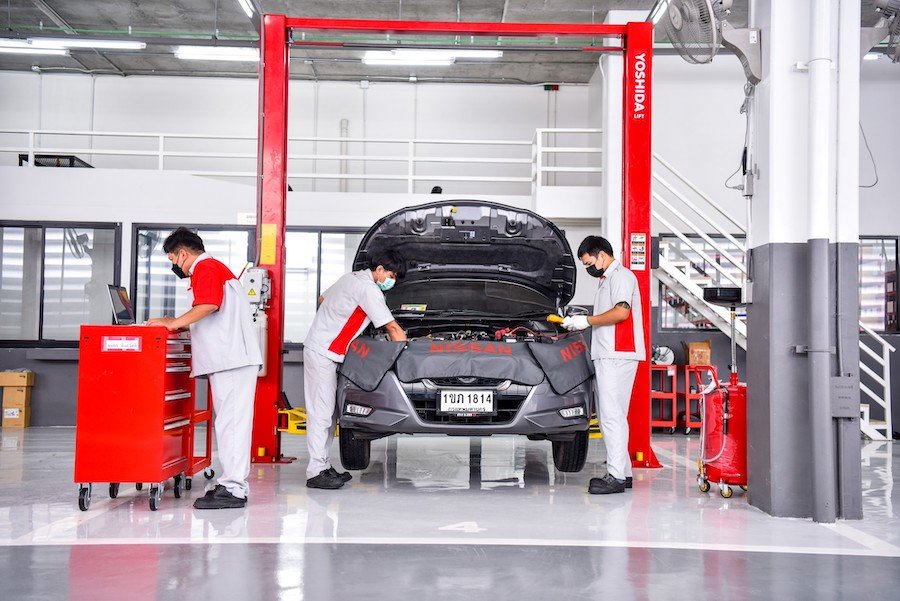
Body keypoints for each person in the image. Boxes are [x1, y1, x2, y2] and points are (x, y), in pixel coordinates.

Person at [147, 227, 262, 509]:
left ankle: (234, 489)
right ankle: (232, 484)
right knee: (230, 423)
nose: (175, 266)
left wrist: (173, 323)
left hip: (231, 359)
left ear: (182, 253)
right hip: (231, 358)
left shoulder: (205, 268)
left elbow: (209, 304)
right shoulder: (213, 268)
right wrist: (180, 323)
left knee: (231, 424)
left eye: (173, 259)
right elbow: (211, 311)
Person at [302, 249, 408, 489]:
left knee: (328, 414)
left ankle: (323, 466)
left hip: (325, 349)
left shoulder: (349, 278)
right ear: (379, 269)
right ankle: (316, 471)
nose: (391, 281)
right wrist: (407, 351)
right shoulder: (368, 289)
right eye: (391, 275)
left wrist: (338, 320)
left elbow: (322, 299)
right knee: (321, 413)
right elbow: (392, 328)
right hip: (323, 352)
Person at [563, 235, 645, 495]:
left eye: (590, 263)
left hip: (617, 354)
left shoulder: (621, 277)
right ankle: (624, 472)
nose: (590, 268)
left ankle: (616, 476)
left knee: (610, 416)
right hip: (612, 354)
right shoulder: (607, 280)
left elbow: (621, 312)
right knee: (615, 415)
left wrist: (587, 321)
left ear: (601, 255)